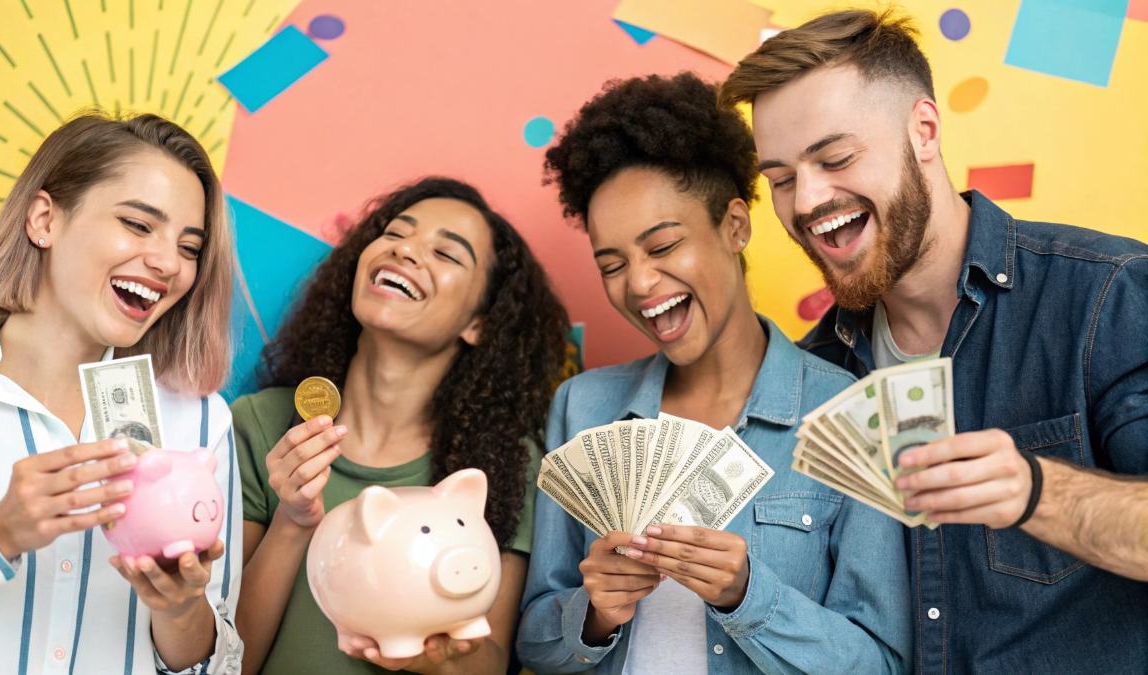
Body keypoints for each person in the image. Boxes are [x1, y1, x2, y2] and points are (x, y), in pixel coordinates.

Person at [720, 8, 1148, 672]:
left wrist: (1037, 492)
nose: (805, 200)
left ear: (924, 130)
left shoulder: (1102, 295)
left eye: (835, 157)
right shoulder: (811, 376)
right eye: (780, 179)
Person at [516, 73, 910, 674]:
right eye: (612, 264)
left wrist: (750, 596)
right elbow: (534, 646)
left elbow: (880, 663)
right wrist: (592, 614)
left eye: (664, 246)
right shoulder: (582, 407)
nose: (640, 284)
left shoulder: (851, 413)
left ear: (734, 226)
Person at [232, 177, 570, 675]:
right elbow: (223, 660)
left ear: (480, 323)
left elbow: (492, 663)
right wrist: (291, 521)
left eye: (447, 254)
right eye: (395, 233)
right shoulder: (260, 425)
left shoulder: (507, 462)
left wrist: (430, 658)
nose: (407, 251)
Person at [0, 113, 242, 674]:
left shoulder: (200, 425)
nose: (167, 263)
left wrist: (182, 611)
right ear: (44, 219)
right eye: (138, 224)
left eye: (189, 246)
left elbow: (219, 667)